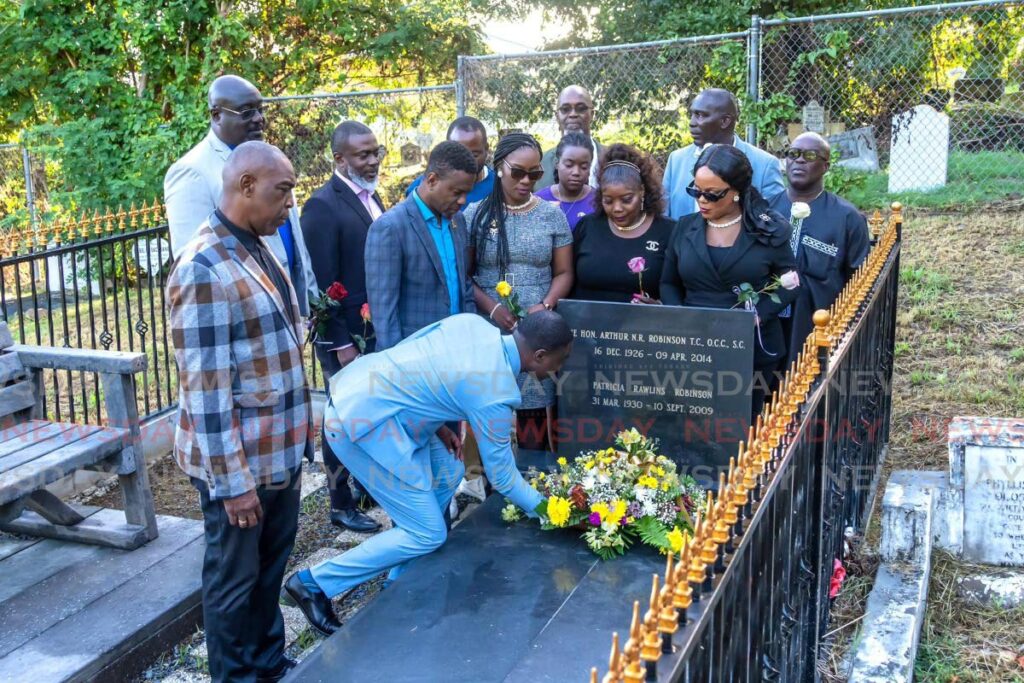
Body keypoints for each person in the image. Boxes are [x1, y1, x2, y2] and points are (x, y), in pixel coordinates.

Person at [281, 312, 572, 636]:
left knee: (448, 472)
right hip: (359, 425)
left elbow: (418, 370)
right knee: (428, 533)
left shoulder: (474, 325)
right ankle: (313, 582)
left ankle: (398, 576)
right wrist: (551, 512)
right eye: (558, 362)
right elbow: (502, 476)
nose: (557, 371)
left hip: (369, 396)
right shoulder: (494, 390)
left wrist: (435, 426)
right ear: (539, 356)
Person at [166, 142, 313, 683]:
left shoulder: (256, 245)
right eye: (283, 190)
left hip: (279, 454)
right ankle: (235, 676)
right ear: (246, 185)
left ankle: (268, 663)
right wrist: (233, 485)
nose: (289, 204)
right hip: (240, 466)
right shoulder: (203, 266)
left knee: (269, 572)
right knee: (234, 581)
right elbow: (204, 393)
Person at [660, 144, 800, 418]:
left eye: (712, 195)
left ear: (737, 192)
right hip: (693, 344)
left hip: (750, 348)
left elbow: (791, 282)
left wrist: (757, 315)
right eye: (696, 191)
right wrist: (681, 319)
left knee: (745, 426)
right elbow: (668, 283)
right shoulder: (684, 227)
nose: (701, 200)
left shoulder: (766, 230)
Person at [163, 75, 316, 315]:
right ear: (216, 115)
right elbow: (191, 266)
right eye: (246, 112)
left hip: (287, 304)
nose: (258, 119)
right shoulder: (193, 171)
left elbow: (293, 237)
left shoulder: (269, 157)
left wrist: (309, 296)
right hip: (247, 314)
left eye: (259, 109)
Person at [299, 121, 385, 533]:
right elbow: (322, 282)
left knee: (371, 412)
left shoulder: (373, 196)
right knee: (342, 416)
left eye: (375, 152)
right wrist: (338, 344)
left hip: (374, 328)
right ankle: (339, 501)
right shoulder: (322, 205)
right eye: (362, 155)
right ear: (339, 159)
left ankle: (369, 486)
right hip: (345, 335)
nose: (372, 160)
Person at [466, 132, 573, 451]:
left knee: (534, 410)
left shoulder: (551, 214)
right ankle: (489, 487)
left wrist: (545, 305)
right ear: (499, 167)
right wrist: (494, 309)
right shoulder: (476, 215)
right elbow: (465, 276)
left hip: (537, 333)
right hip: (490, 328)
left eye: (536, 173)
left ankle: (533, 482)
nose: (527, 180)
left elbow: (565, 271)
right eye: (519, 172)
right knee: (489, 407)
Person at [365, 141, 478, 351]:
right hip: (416, 356)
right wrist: (397, 363)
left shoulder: (458, 221)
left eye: (467, 193)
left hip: (458, 349)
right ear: (432, 180)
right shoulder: (390, 228)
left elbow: (464, 284)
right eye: (456, 192)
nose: (463, 201)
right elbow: (384, 312)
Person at [770, 132, 870, 368]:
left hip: (817, 324)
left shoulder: (847, 217)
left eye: (810, 155)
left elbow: (859, 283)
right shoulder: (766, 209)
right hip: (769, 321)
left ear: (825, 166)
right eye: (793, 154)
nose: (799, 160)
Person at [571, 143, 675, 304]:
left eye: (626, 200)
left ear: (642, 191)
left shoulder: (667, 231)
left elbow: (677, 289)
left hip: (643, 326)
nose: (617, 208)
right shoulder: (587, 227)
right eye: (608, 201)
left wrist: (659, 307)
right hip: (586, 325)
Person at [663, 88, 785, 220]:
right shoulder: (677, 160)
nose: (692, 123)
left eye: (700, 115)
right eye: (692, 114)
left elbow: (774, 221)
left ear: (725, 121)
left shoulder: (764, 164)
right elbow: (664, 217)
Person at [405, 116, 493, 209]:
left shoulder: (499, 187)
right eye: (457, 154)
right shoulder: (424, 187)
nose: (466, 160)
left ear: (486, 149)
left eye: (474, 155)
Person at [536, 85, 604, 190]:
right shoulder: (539, 165)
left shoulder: (613, 159)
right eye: (565, 109)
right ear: (557, 116)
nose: (573, 114)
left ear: (592, 114)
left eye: (581, 109)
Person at [535, 132, 597, 231]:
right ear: (557, 164)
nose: (576, 172)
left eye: (584, 167)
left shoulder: (599, 201)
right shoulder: (538, 201)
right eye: (569, 165)